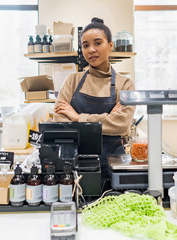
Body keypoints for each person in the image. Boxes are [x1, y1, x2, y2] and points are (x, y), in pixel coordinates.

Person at [54, 17, 135, 191]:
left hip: (113, 165)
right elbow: (59, 122)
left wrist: (76, 117)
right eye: (85, 45)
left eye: (97, 43)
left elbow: (121, 124)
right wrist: (107, 119)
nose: (91, 50)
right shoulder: (73, 80)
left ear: (110, 45)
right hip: (75, 166)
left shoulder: (125, 84)